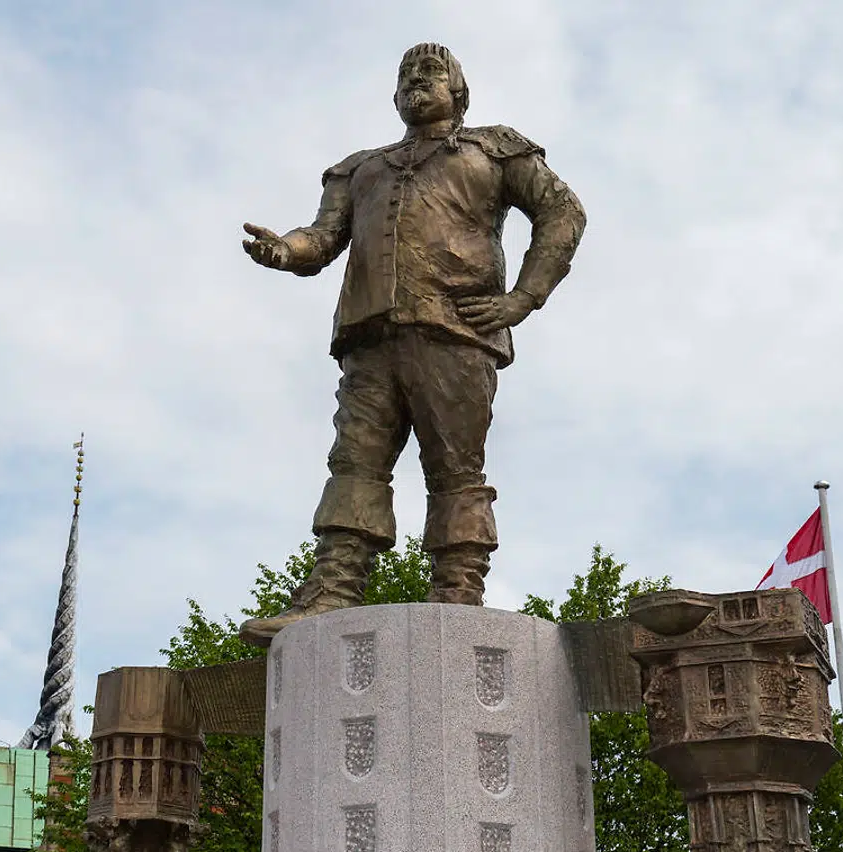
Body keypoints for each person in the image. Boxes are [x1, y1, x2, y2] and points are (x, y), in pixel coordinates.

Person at [238, 42, 587, 646]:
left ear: (459, 91)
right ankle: (332, 589)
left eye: (431, 72)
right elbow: (321, 238)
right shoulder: (361, 168)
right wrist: (285, 250)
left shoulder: (496, 149)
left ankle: (458, 591)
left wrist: (523, 298)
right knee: (354, 463)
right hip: (371, 338)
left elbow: (563, 214)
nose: (416, 82)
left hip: (456, 331)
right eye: (405, 76)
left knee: (455, 470)